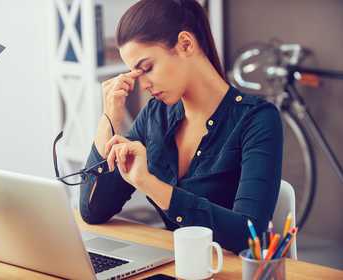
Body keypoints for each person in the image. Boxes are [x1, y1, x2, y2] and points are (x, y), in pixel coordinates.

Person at [79, 0, 283, 254]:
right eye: (135, 73)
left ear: (186, 44)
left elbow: (248, 233)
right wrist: (109, 116)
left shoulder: (257, 119)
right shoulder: (155, 116)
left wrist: (149, 183)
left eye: (147, 68)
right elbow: (93, 211)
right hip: (177, 266)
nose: (143, 85)